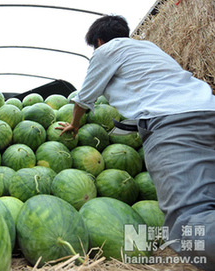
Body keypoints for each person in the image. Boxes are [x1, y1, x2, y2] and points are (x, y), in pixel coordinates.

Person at [57, 15, 215, 270]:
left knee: (187, 226)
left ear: (98, 41)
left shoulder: (106, 50)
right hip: (207, 112)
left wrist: (74, 125)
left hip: (173, 123)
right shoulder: (149, 47)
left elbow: (84, 98)